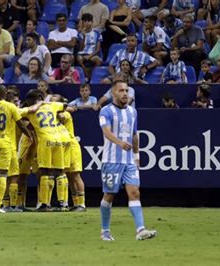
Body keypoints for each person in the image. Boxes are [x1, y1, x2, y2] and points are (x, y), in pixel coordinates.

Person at [98, 80, 157, 241]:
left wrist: (137, 156)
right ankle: (105, 231)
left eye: (126, 90)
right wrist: (119, 143)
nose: (125, 93)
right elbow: (106, 132)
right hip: (111, 161)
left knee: (134, 192)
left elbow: (134, 134)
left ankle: (140, 230)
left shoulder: (132, 111)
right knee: (109, 195)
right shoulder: (106, 111)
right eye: (121, 91)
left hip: (129, 161)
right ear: (113, 93)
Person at [76, 13, 103, 81]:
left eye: (89, 21)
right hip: (82, 53)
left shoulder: (97, 33)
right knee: (79, 58)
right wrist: (84, 36)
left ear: (92, 22)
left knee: (98, 60)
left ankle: (93, 76)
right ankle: (87, 76)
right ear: (83, 23)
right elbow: (81, 48)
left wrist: (89, 56)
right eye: (85, 21)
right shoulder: (80, 34)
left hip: (92, 53)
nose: (87, 23)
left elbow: (97, 49)